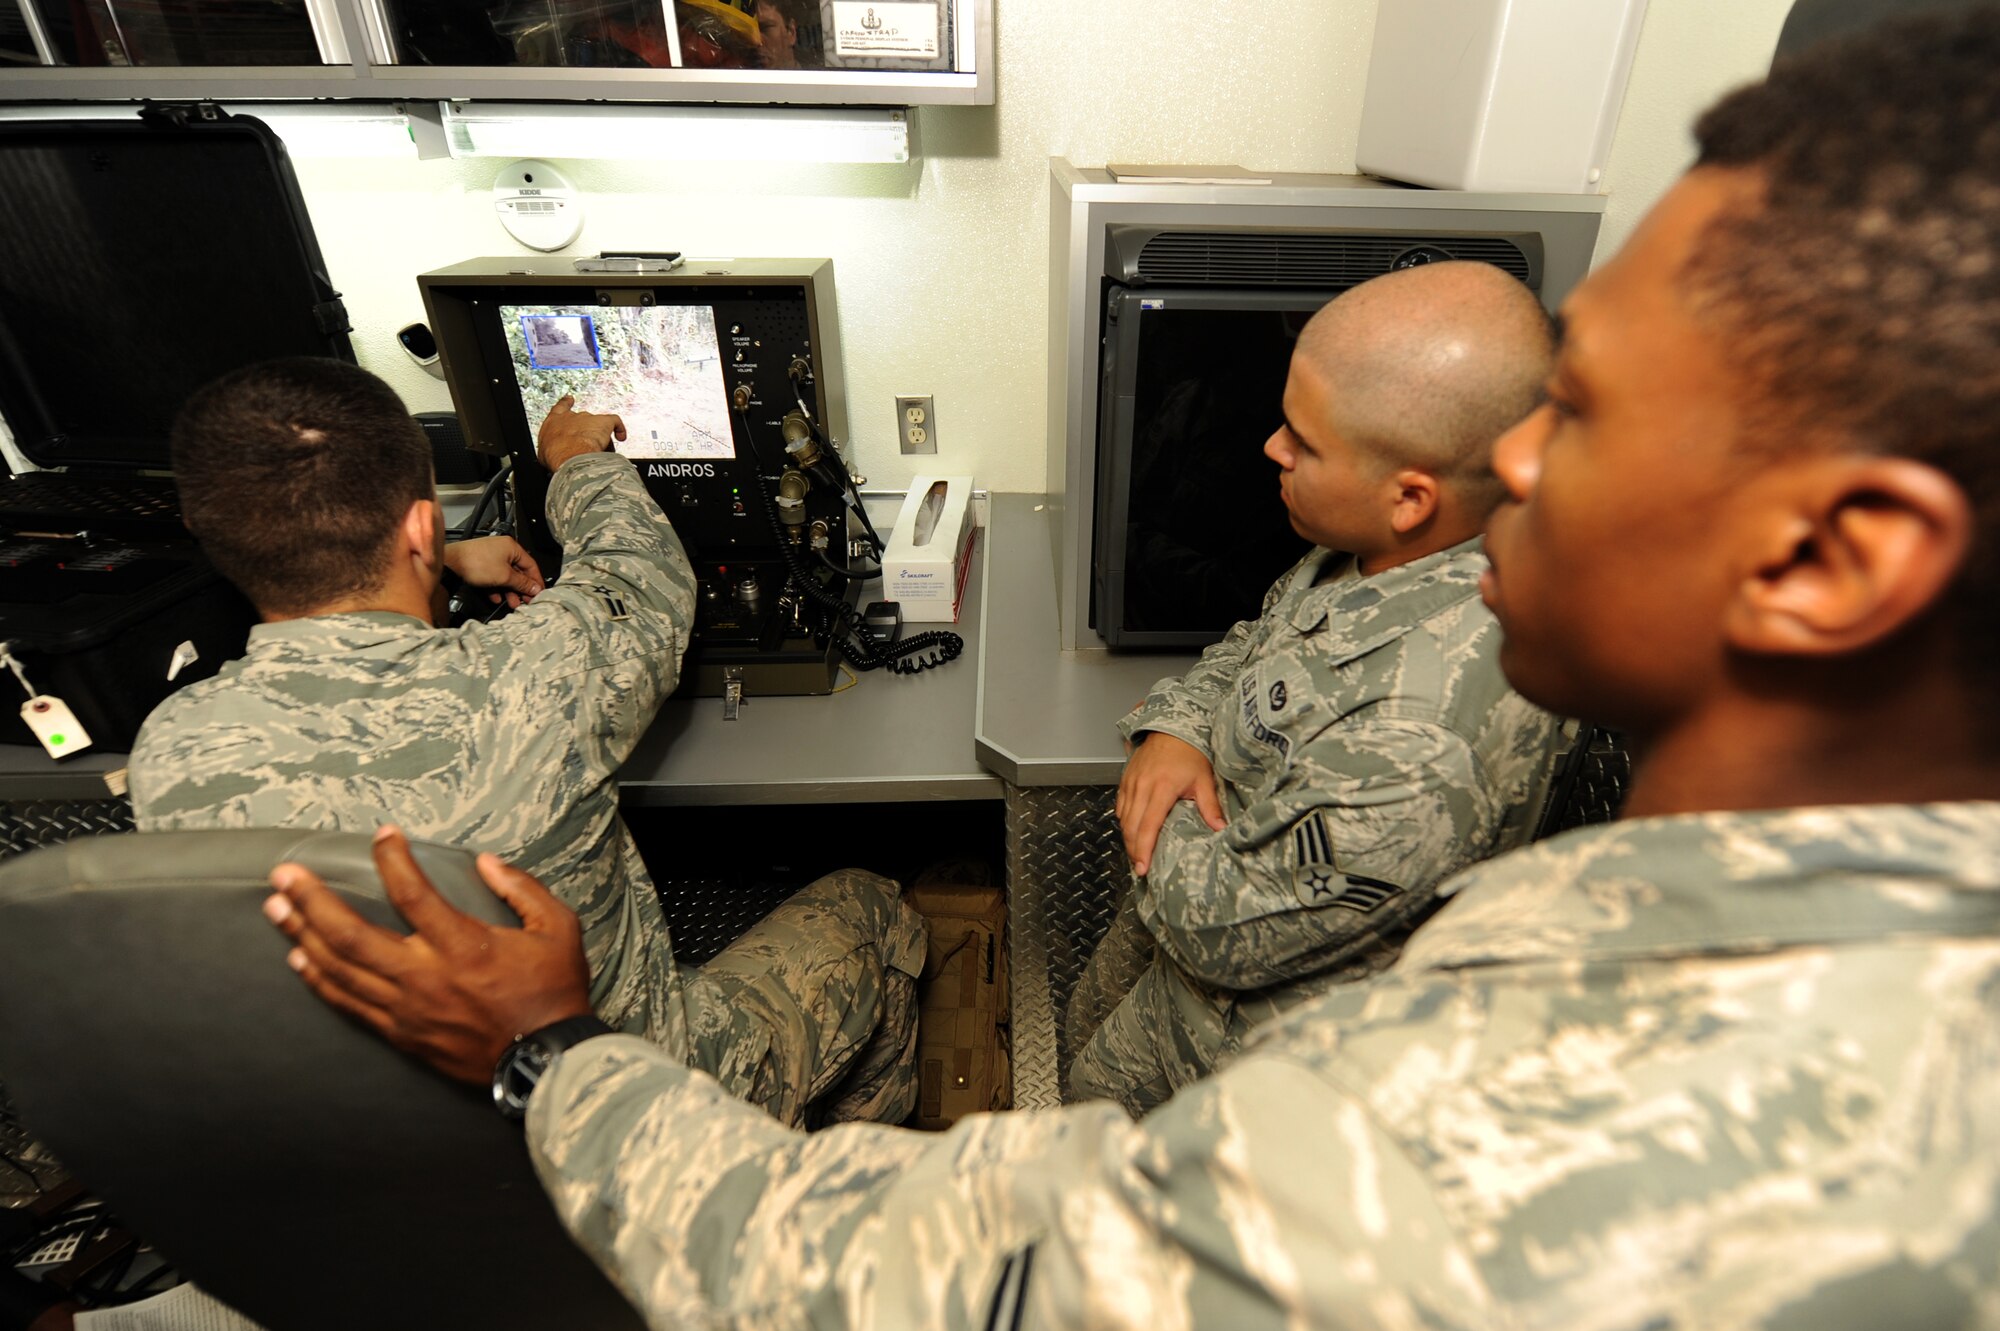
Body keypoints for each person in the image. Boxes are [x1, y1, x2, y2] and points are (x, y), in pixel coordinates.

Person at [263, 11, 2000, 1324]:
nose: (1518, 465)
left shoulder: (1486, 1135)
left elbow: (903, 1279)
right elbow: (1271, 633)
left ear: (1836, 556)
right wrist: (1179, 725)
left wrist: (546, 1051)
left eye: (1589, 409)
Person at [130, 359, 924, 1130]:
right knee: (871, 903)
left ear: (210, 535)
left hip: (391, 1151)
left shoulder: (170, 752)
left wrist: (431, 561)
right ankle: (838, 1170)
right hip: (633, 1115)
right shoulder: (533, 677)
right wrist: (575, 461)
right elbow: (640, 572)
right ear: (421, 518)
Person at [1069, 261, 1562, 1114]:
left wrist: (1160, 799)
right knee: (1077, 1049)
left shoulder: (1426, 737)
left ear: (1410, 496)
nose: (1272, 447)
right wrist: (1180, 732)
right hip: (1167, 950)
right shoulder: (1377, 551)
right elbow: (1259, 638)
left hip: (1237, 1060)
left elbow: (1217, 926)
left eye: (1304, 439)